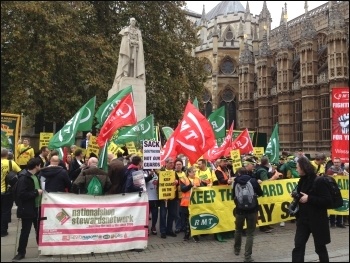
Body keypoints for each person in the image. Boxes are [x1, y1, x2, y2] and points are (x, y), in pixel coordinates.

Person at [291, 156, 333, 262]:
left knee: (320, 248)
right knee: (298, 246)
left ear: (303, 167)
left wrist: (309, 198)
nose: (296, 169)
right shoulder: (302, 180)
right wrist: (296, 196)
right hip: (303, 220)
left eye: (297, 167)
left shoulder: (319, 181)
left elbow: (327, 200)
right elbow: (302, 197)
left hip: (317, 220)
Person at [12, 158, 42, 261]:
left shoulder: (35, 176)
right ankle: (21, 252)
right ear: (36, 166)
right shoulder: (24, 178)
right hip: (27, 209)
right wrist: (36, 192)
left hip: (36, 207)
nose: (40, 167)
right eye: (40, 165)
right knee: (25, 231)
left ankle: (42, 249)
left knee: (39, 230)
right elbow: (22, 194)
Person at [233, 167, 263, 262]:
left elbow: (232, 196)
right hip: (252, 210)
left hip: (239, 210)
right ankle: (247, 256)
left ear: (238, 174)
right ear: (247, 172)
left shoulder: (236, 182)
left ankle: (237, 249)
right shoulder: (253, 181)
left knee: (238, 230)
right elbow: (261, 193)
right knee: (250, 233)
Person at [113, 17, 145, 84]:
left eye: (134, 21)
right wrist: (130, 41)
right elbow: (125, 40)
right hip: (128, 48)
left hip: (135, 49)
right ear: (130, 22)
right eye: (132, 21)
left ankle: (135, 75)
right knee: (127, 60)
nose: (133, 22)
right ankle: (125, 73)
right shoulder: (126, 30)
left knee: (134, 62)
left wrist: (136, 42)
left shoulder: (138, 31)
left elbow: (140, 41)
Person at [1, 148, 21, 237]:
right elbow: (20, 172)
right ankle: (3, 231)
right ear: (6, 155)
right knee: (5, 211)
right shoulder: (11, 163)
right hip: (6, 192)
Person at [180, 166, 201, 242]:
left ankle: (195, 235)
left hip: (195, 204)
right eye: (193, 172)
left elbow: (202, 188)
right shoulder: (183, 179)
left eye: (195, 171)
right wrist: (190, 185)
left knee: (195, 219)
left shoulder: (198, 179)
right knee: (187, 220)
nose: (195, 173)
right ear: (189, 172)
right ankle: (187, 234)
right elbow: (183, 189)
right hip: (186, 203)